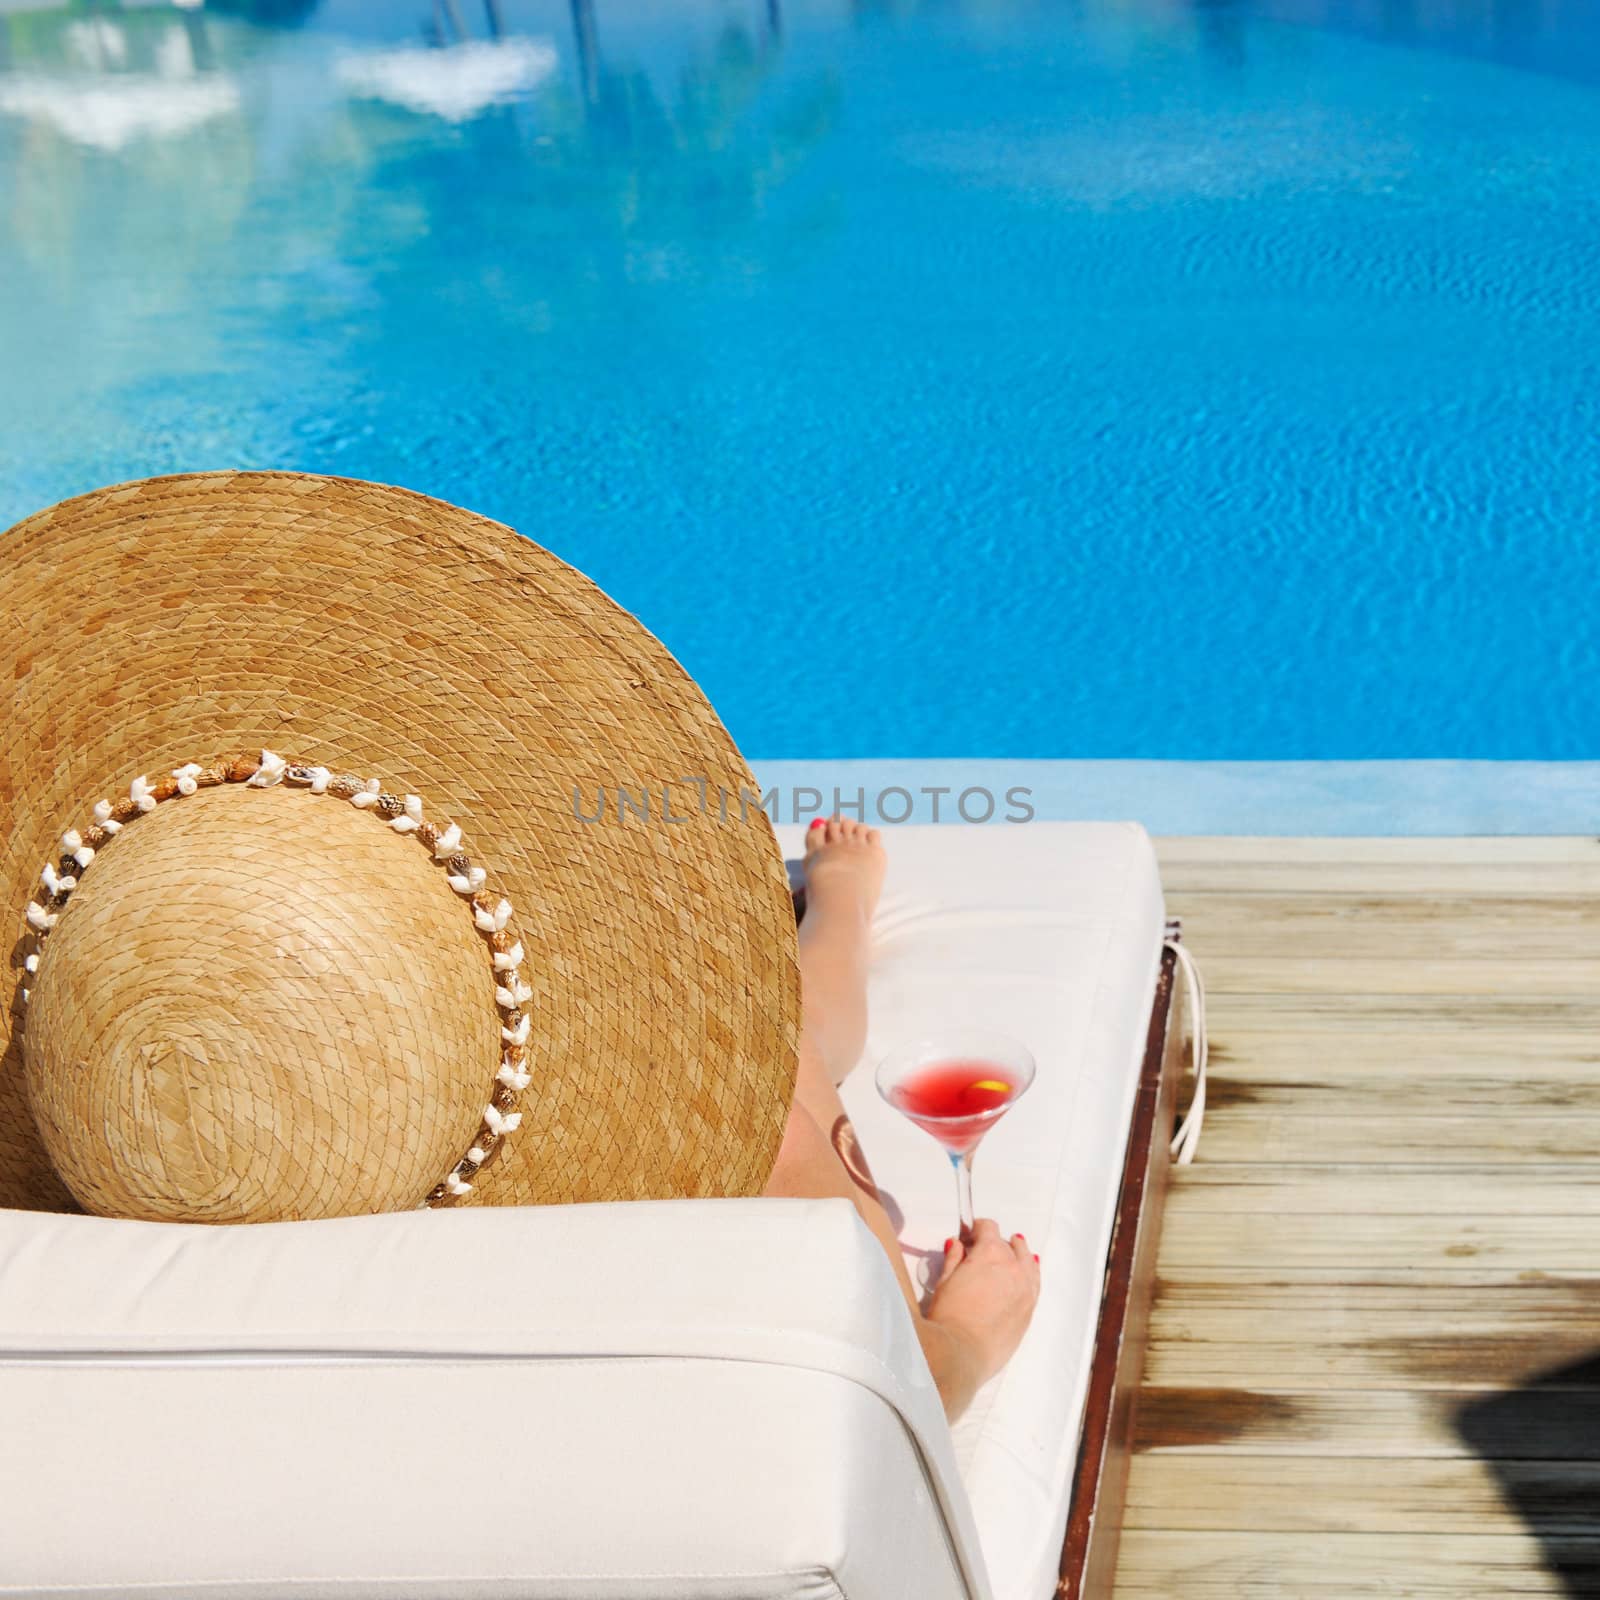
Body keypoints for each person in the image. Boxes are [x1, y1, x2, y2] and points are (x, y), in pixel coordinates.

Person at [764, 815, 1040, 1422]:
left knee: (792, 1032)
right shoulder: (751, 1112)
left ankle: (838, 907)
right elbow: (917, 1382)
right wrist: (968, 1338)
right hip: (763, 1080)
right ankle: (841, 905)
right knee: (781, 1036)